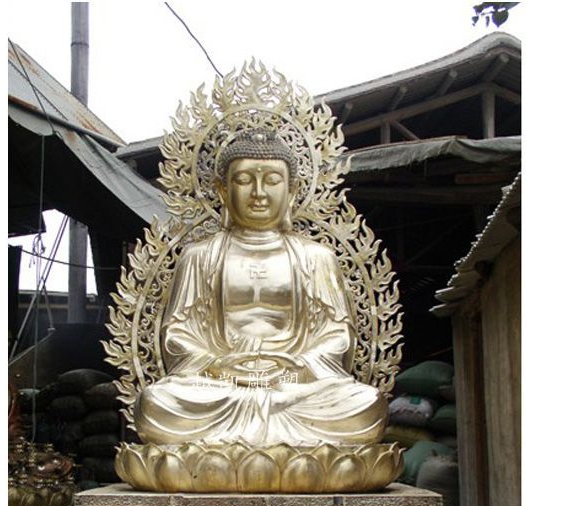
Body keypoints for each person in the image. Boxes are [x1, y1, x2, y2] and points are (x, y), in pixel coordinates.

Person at [134, 130, 387, 447]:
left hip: (295, 385)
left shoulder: (316, 258)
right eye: (243, 180)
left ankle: (231, 446)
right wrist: (216, 364)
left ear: (292, 191)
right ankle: (287, 447)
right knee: (155, 403)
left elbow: (336, 336)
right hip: (221, 385)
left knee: (366, 404)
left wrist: (300, 365)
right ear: (222, 191)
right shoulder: (199, 257)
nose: (258, 193)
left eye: (272, 180)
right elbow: (178, 335)